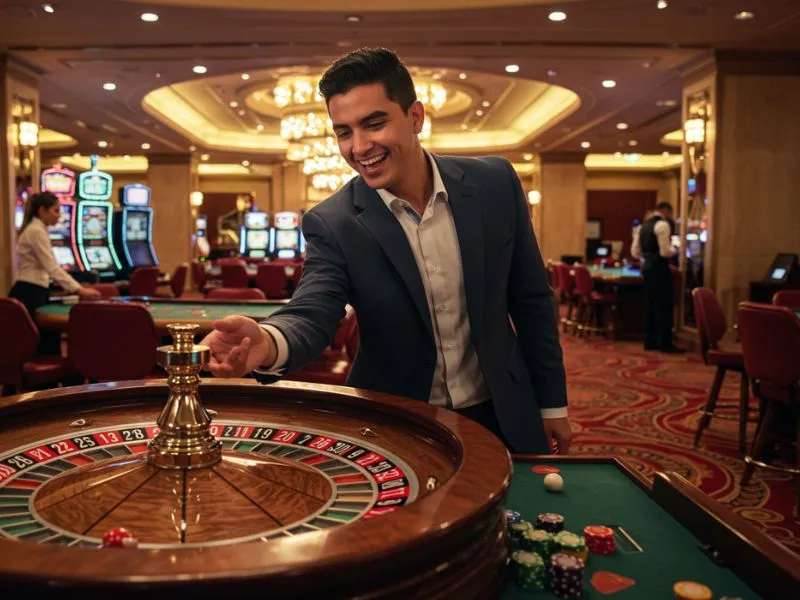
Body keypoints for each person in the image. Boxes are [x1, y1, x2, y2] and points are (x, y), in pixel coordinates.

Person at [200, 47, 571, 455]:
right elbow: (314, 310)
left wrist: (552, 404)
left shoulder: (495, 183)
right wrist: (269, 342)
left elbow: (532, 300)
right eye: (343, 132)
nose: (359, 147)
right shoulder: (333, 221)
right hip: (397, 419)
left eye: (373, 124)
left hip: (503, 409)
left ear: (415, 117)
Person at [9, 191, 100, 323]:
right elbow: (52, 268)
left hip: (33, 290)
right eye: (56, 210)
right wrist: (79, 289)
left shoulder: (38, 229)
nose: (59, 215)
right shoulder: (36, 231)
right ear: (42, 211)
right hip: (30, 292)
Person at [631, 202, 684, 353]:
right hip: (659, 267)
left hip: (646, 267)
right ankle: (665, 343)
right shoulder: (662, 225)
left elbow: (635, 252)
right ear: (666, 211)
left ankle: (649, 341)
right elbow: (665, 252)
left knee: (650, 304)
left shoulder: (642, 226)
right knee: (664, 306)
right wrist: (677, 249)